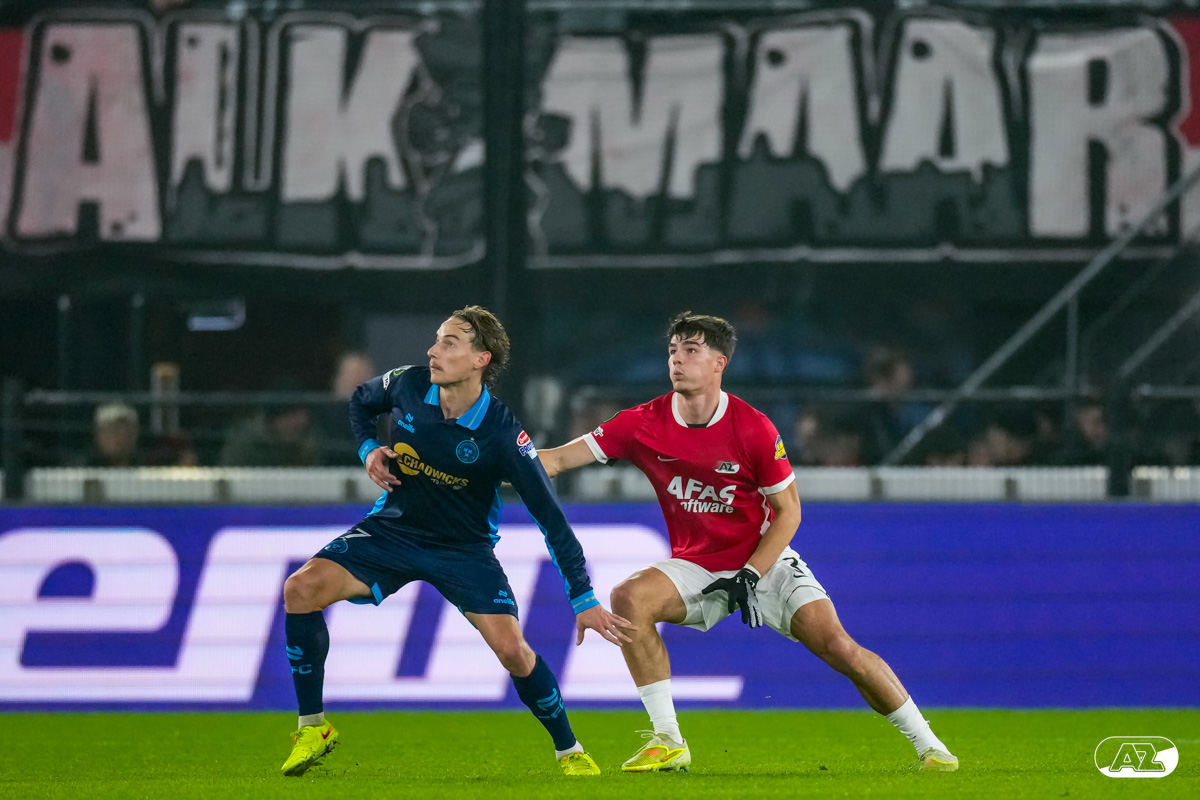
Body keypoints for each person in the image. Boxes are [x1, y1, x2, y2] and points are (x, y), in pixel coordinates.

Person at [539, 312, 958, 773]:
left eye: (691, 350)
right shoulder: (641, 422)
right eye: (673, 351)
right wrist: (496, 459)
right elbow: (554, 461)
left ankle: (932, 747)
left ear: (719, 363)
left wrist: (752, 572)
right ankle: (669, 740)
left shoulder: (752, 427)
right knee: (628, 597)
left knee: (838, 647)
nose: (677, 360)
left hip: (763, 559)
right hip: (697, 564)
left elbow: (789, 511)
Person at [279, 305, 634, 778]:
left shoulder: (503, 434)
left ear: (480, 360)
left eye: (449, 343)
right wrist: (368, 449)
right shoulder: (407, 384)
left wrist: (583, 597)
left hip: (463, 549)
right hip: (394, 529)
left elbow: (551, 518)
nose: (433, 350)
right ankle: (313, 728)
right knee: (300, 589)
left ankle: (570, 751)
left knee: (513, 652)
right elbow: (361, 401)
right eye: (436, 339)